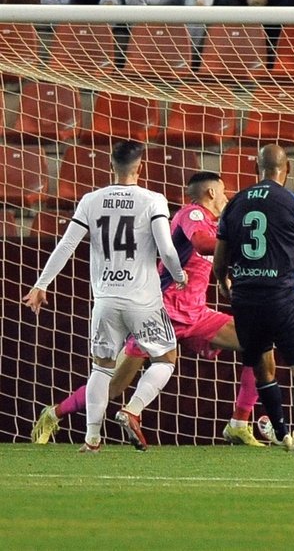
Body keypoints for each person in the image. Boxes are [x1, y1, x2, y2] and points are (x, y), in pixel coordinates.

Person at [31, 172, 266, 448]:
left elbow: (210, 261)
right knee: (114, 385)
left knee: (258, 342)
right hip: (161, 310)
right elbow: (201, 243)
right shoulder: (191, 215)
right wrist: (246, 243)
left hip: (195, 313)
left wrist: (227, 280)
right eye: (223, 191)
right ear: (211, 193)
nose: (226, 197)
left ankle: (239, 423)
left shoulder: (216, 226)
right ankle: (54, 414)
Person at [23, 141, 188, 452]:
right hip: (143, 301)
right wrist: (179, 276)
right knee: (166, 359)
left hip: (106, 299)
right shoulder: (153, 199)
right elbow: (166, 248)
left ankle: (92, 438)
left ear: (111, 166)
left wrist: (41, 284)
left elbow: (66, 245)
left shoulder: (91, 200)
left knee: (101, 368)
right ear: (140, 167)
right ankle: (131, 410)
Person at [213, 144, 294, 456]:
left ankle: (280, 433)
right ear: (287, 168)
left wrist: (227, 287)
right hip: (282, 296)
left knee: (263, 367)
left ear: (256, 168)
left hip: (246, 298)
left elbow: (218, 265)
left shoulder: (234, 204)